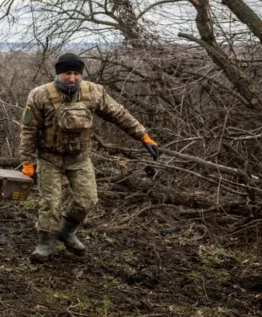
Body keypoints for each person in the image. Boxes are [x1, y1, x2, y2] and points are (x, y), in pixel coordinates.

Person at [19, 53, 159, 263]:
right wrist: (28, 162)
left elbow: (118, 113)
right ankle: (45, 242)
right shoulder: (39, 95)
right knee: (50, 202)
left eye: (76, 73)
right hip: (49, 157)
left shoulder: (94, 92)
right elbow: (28, 130)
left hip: (79, 157)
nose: (72, 78)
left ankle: (66, 232)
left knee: (88, 199)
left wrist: (143, 135)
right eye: (68, 73)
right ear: (58, 73)